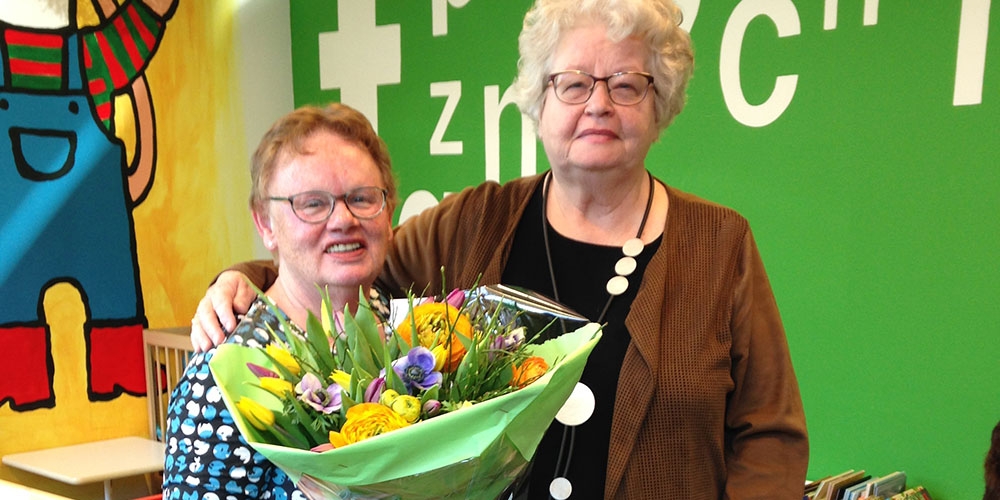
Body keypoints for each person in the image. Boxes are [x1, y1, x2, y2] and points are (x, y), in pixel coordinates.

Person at [191, 0, 809, 498]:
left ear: (661, 103)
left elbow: (770, 436)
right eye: (572, 84)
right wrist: (242, 278)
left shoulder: (719, 243)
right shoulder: (475, 221)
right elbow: (352, 258)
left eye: (626, 84)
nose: (598, 104)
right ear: (538, 103)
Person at [162, 103, 397, 499]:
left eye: (361, 198)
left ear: (389, 212)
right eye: (312, 204)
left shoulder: (397, 322)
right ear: (265, 224)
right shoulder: (223, 374)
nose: (343, 219)